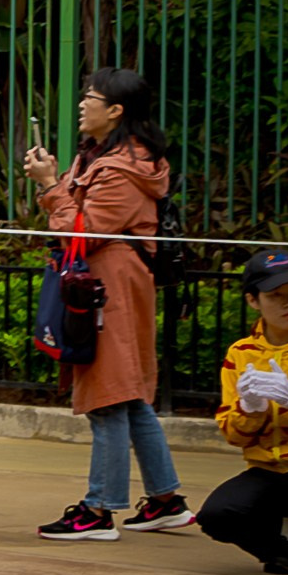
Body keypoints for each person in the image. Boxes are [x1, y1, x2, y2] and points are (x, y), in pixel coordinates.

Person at [27, 68, 196, 539]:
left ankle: (98, 510)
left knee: (107, 395)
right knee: (129, 393)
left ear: (116, 110)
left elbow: (84, 230)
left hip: (110, 285)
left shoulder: (122, 168)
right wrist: (55, 182)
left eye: (91, 97)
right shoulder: (103, 157)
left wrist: (49, 185)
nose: (82, 104)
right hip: (112, 281)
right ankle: (165, 500)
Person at [198, 249, 288, 575]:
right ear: (253, 300)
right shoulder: (241, 353)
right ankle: (280, 549)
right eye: (276, 295)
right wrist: (251, 409)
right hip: (269, 468)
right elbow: (234, 436)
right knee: (217, 515)